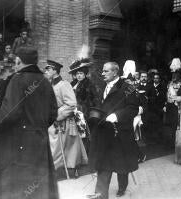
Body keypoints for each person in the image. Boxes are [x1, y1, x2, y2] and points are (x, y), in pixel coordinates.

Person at [0, 47, 59, 199]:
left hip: (18, 145)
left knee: (18, 188)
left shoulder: (18, 79)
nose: (15, 66)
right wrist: (37, 127)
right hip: (39, 142)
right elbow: (52, 113)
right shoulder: (45, 81)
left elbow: (10, 113)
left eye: (16, 62)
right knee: (37, 188)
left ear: (19, 61)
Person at [87, 62, 139, 199]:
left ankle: (122, 188)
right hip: (104, 133)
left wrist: (117, 115)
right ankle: (100, 194)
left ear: (115, 72)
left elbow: (133, 108)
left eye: (106, 71)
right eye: (103, 71)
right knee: (103, 164)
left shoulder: (127, 87)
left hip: (120, 133)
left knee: (122, 166)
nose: (102, 74)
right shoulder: (103, 87)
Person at [45, 59, 88, 178]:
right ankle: (56, 171)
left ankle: (70, 170)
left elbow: (71, 104)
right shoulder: (50, 84)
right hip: (53, 122)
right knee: (55, 146)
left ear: (55, 70)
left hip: (64, 122)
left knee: (69, 146)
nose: (46, 71)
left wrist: (56, 115)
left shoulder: (64, 85)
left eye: (48, 69)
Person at [68, 59, 99, 154]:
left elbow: (94, 100)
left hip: (83, 113)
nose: (79, 75)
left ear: (85, 74)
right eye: (77, 73)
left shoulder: (89, 84)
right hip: (71, 111)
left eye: (81, 73)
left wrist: (82, 108)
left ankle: (85, 154)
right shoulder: (72, 84)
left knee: (83, 134)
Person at [163, 58, 181, 147]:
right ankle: (170, 143)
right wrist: (165, 104)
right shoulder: (169, 83)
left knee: (176, 125)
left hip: (177, 107)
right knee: (169, 125)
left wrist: (177, 98)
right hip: (170, 106)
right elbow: (167, 94)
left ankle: (175, 143)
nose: (174, 75)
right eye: (173, 74)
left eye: (176, 74)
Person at [146, 72, 166, 143]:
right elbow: (147, 96)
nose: (155, 79)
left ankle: (158, 139)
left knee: (158, 123)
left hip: (159, 108)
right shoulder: (150, 86)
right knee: (151, 123)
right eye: (154, 78)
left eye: (157, 78)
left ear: (159, 79)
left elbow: (163, 97)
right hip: (151, 108)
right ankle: (151, 138)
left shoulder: (162, 86)